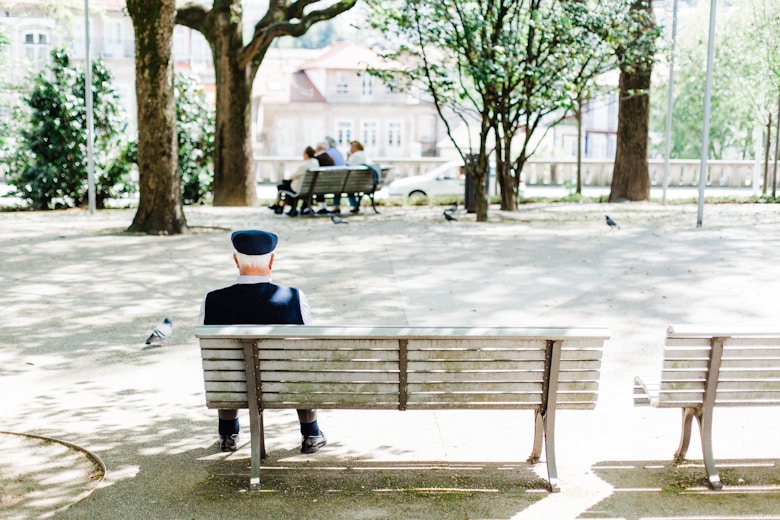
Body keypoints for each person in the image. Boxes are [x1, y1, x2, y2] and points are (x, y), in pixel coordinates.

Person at [198, 230, 327, 454]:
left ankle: (227, 434)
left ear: (236, 260)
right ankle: (311, 432)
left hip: (234, 387)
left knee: (226, 367)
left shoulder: (213, 300)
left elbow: (210, 350)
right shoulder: (294, 297)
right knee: (302, 363)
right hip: (284, 385)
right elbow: (308, 343)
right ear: (272, 261)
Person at [268, 146, 318, 217]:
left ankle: (279, 205)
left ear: (306, 154)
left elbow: (292, 177)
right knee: (285, 185)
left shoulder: (304, 165)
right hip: (310, 188)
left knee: (282, 186)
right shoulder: (316, 163)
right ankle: (280, 206)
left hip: (299, 188)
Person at [329, 140, 368, 215]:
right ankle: (354, 205)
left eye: (351, 147)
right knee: (349, 187)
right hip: (361, 182)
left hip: (353, 182)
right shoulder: (364, 155)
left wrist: (348, 157)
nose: (350, 149)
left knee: (339, 187)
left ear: (355, 147)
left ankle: (336, 206)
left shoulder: (355, 156)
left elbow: (347, 167)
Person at [313, 141, 335, 214]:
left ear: (319, 148)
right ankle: (323, 207)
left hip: (320, 184)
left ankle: (306, 207)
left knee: (312, 184)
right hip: (330, 184)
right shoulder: (330, 158)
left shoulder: (317, 159)